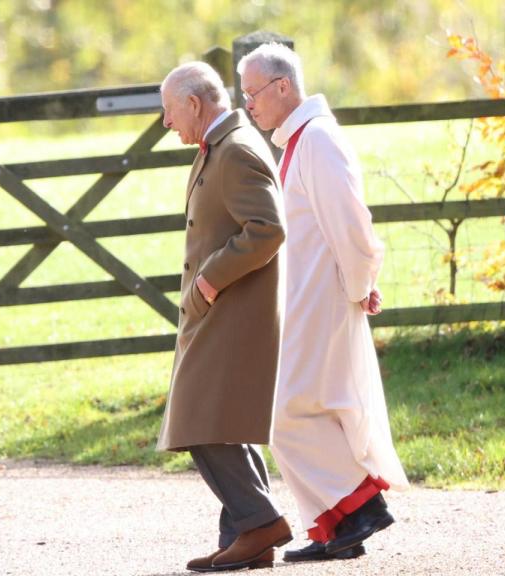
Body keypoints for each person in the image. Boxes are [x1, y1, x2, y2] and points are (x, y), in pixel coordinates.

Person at [236, 43, 410, 563]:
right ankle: (334, 527)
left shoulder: (318, 141)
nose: (250, 106)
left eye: (253, 94)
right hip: (308, 299)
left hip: (326, 301)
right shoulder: (300, 140)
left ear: (283, 86)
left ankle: (358, 507)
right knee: (298, 412)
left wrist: (360, 285)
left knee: (286, 414)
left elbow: (353, 226)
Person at [156, 61, 290, 573]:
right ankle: (245, 537)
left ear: (194, 103)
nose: (167, 122)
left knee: (200, 420)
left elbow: (268, 228)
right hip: (221, 309)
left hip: (232, 307)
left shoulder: (234, 149)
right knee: (222, 421)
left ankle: (260, 522)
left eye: (169, 110)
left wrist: (209, 280)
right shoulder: (222, 145)